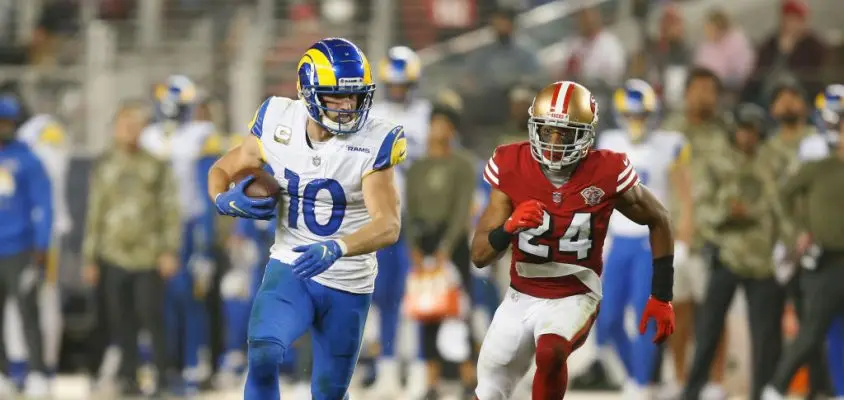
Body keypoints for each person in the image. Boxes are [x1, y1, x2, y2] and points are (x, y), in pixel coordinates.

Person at [207, 37, 406, 399]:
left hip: (348, 280)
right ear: (308, 92)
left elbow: (389, 225)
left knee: (328, 392)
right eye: (336, 96)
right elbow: (223, 168)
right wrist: (223, 200)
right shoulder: (277, 121)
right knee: (264, 353)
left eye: (355, 96)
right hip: (291, 265)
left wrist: (338, 247)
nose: (348, 106)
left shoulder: (373, 140)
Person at [471, 80, 676, 400]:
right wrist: (508, 227)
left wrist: (661, 295)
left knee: (551, 352)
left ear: (586, 135)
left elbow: (659, 218)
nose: (554, 141)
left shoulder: (607, 169)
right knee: (489, 390)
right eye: (548, 130)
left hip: (576, 290)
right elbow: (480, 254)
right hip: (520, 294)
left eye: (565, 132)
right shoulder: (511, 163)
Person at [594, 79, 693, 398]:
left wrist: (684, 240)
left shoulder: (669, 144)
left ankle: (641, 384)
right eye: (631, 115)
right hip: (618, 240)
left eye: (641, 115)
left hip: (651, 241)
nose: (636, 121)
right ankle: (637, 377)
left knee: (645, 315)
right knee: (605, 319)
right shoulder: (608, 142)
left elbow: (685, 197)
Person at [683, 104, 787, 400]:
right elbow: (703, 207)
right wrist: (727, 213)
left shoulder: (773, 160)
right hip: (726, 255)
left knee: (765, 337)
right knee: (708, 332)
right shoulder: (718, 161)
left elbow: (783, 204)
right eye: (742, 128)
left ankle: (761, 394)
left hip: (763, 260)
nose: (746, 135)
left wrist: (782, 241)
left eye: (752, 129)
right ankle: (691, 392)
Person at [81, 101, 180, 397]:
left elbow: (169, 209)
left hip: (148, 255)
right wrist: (90, 257)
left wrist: (169, 250)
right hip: (112, 254)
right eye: (125, 125)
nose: (129, 131)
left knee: (151, 317)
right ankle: (128, 377)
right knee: (120, 320)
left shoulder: (155, 165)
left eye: (135, 126)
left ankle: (162, 378)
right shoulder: (104, 163)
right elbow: (94, 210)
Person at [139, 75, 222, 392]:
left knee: (190, 297)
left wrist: (205, 239)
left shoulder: (201, 135)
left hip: (188, 226)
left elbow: (208, 190)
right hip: (152, 229)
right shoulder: (148, 136)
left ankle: (191, 364)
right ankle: (161, 365)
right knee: (153, 301)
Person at [762, 95, 844, 400]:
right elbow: (783, 196)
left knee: (839, 333)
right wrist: (797, 232)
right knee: (812, 332)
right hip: (825, 261)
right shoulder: (819, 167)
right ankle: (776, 388)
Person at [660, 67, 732, 396]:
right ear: (686, 92)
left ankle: (716, 383)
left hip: (715, 236)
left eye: (711, 90)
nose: (706, 96)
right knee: (679, 313)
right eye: (699, 88)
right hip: (675, 235)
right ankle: (680, 378)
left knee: (715, 315)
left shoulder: (727, 132)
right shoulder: (668, 132)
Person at [367, 45, 432, 398]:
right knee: (384, 295)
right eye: (393, 85)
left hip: (418, 218)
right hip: (382, 215)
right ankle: (387, 369)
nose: (397, 91)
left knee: (420, 296)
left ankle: (421, 368)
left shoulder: (426, 113)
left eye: (402, 84)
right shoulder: (372, 114)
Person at [405, 105, 477, 399]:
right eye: (435, 123)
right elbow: (408, 209)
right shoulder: (418, 166)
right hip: (425, 241)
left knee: (457, 311)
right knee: (426, 311)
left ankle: (468, 377)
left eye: (445, 124)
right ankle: (431, 380)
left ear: (453, 130)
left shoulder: (462, 164)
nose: (439, 130)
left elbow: (463, 209)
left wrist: (447, 246)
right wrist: (413, 246)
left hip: (454, 242)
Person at [0, 95, 52, 398]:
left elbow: (43, 204)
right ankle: (3, 373)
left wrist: (41, 245)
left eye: (6, 122)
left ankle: (36, 372)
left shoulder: (28, 158)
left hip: (20, 250)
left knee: (28, 313)